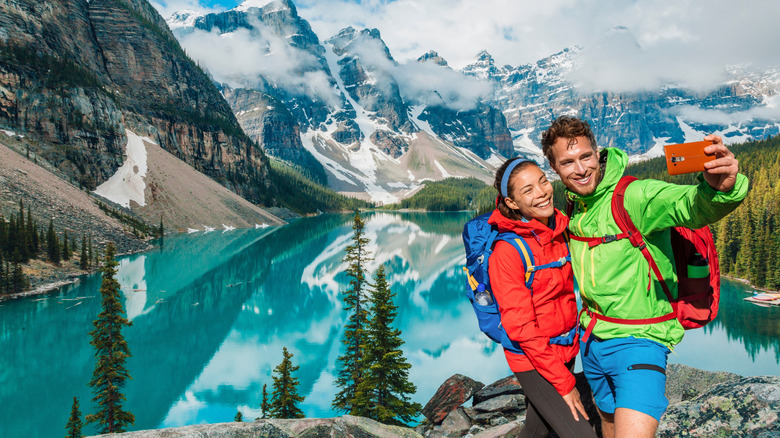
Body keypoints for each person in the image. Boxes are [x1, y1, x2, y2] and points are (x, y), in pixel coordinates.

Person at [541, 116, 748, 438]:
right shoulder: (576, 204)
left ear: (598, 153)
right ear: (555, 169)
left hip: (640, 341)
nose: (580, 169)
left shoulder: (636, 196)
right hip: (592, 340)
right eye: (568, 162)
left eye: (585, 157)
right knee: (606, 423)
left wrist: (720, 188)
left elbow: (691, 207)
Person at [488, 157, 597, 438]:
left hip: (564, 349)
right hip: (532, 359)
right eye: (528, 191)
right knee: (581, 435)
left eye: (543, 181)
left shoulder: (559, 230)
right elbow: (521, 328)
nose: (542, 193)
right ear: (512, 203)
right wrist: (564, 382)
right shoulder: (507, 252)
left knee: (538, 431)